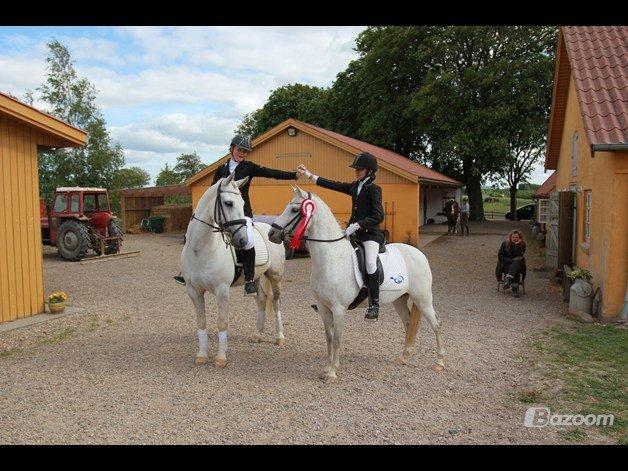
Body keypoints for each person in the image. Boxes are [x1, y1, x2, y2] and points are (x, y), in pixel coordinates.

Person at [174, 134, 298, 296]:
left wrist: (293, 175)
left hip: (241, 213)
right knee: (192, 233)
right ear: (232, 148)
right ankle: (186, 272)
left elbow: (271, 173)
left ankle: (249, 280)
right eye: (240, 150)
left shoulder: (249, 167)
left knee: (248, 241)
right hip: (222, 214)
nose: (242, 154)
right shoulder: (221, 169)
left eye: (245, 152)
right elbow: (211, 191)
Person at [297, 152, 385, 321]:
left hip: (370, 235)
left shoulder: (374, 190)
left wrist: (358, 225)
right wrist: (308, 175)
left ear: (369, 171)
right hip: (353, 234)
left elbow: (378, 216)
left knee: (370, 263)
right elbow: (332, 185)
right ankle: (330, 298)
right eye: (356, 169)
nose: (356, 171)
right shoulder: (355, 186)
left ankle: (374, 305)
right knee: (335, 257)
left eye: (360, 169)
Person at [495, 229, 526, 298]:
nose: (515, 239)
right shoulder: (505, 244)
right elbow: (500, 257)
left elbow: (519, 255)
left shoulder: (522, 245)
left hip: (517, 264)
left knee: (518, 262)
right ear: (510, 237)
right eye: (513, 237)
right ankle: (514, 288)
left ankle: (509, 280)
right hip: (506, 263)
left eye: (516, 237)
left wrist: (517, 246)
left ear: (520, 238)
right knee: (515, 265)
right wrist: (512, 260)